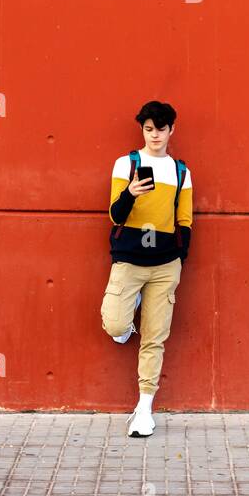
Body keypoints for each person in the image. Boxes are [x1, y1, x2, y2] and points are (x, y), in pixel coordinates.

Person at [101, 100, 193, 437]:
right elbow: (115, 214)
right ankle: (127, 318)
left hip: (165, 266)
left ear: (172, 130)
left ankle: (144, 409)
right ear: (142, 130)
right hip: (129, 261)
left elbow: (184, 220)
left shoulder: (181, 171)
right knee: (114, 323)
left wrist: (180, 260)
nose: (155, 135)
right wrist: (129, 193)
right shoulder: (126, 164)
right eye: (149, 129)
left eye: (161, 129)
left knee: (154, 338)